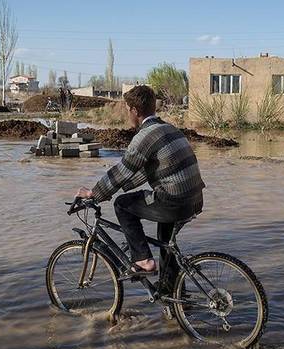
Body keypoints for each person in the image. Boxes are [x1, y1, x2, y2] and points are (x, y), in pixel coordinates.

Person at [75, 85, 205, 294]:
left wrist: (95, 194)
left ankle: (143, 261)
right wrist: (110, 190)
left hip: (174, 200)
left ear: (134, 111)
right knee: (166, 243)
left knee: (123, 205)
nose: (128, 114)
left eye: (128, 110)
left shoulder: (145, 136)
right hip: (193, 198)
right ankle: (174, 297)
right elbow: (144, 172)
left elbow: (123, 170)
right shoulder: (169, 129)